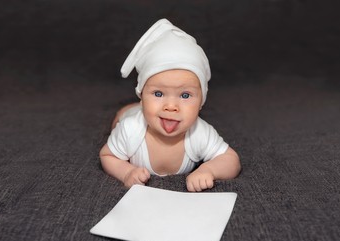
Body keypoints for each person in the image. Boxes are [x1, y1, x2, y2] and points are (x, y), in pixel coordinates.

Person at [100, 19, 241, 192]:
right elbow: (107, 155)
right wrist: (126, 172)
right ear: (142, 96)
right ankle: (130, 108)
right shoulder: (130, 129)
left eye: (185, 95)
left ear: (201, 103)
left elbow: (231, 159)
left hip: (147, 110)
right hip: (133, 116)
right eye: (158, 94)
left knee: (144, 112)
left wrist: (209, 170)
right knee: (122, 117)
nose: (171, 106)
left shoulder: (199, 132)